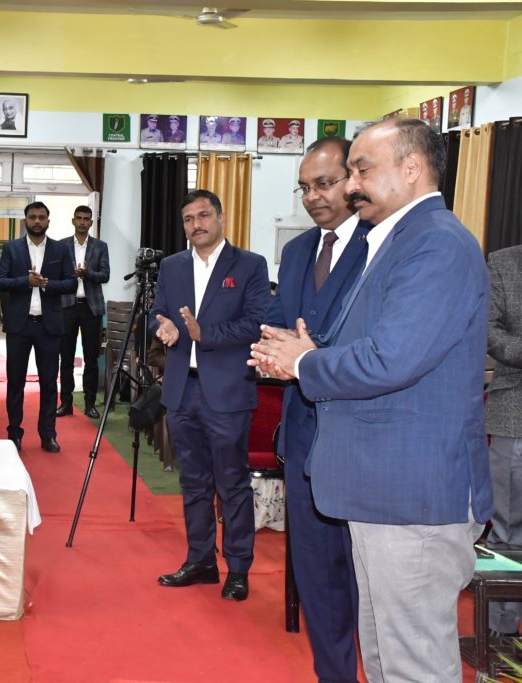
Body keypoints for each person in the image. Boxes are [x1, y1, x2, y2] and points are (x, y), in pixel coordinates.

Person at [250, 118, 492, 682]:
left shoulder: (436, 245)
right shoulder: (397, 240)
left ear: (412, 168)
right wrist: (306, 352)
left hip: (413, 495)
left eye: (361, 170)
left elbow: (391, 358)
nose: (352, 184)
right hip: (381, 491)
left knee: (415, 666)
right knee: (384, 660)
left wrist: (304, 363)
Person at [265, 137, 369, 683]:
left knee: (366, 579)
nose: (312, 197)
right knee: (316, 575)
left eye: (324, 183)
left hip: (362, 439)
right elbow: (287, 326)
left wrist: (309, 357)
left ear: (354, 180)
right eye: (304, 187)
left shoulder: (382, 243)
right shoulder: (298, 251)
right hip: (303, 437)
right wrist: (271, 352)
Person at [152, 189, 270, 602]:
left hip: (227, 392)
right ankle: (200, 560)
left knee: (232, 483)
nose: (196, 224)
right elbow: (157, 312)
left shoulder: (250, 265)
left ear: (221, 218)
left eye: (203, 215)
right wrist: (164, 326)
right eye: (188, 219)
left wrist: (206, 334)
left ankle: (238, 568)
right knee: (194, 483)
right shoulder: (172, 266)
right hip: (182, 389)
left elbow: (256, 322)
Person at [0, 201, 77, 453]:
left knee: (49, 383)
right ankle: (14, 434)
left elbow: (71, 283)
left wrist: (46, 284)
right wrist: (25, 281)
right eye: (33, 217)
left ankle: (48, 435)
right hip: (19, 327)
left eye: (42, 217)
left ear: (48, 221)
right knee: (15, 382)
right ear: (26, 220)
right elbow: (0, 282)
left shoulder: (60, 249)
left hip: (48, 326)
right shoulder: (13, 248)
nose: (37, 221)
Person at [485, 244, 522, 638]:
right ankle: (501, 632)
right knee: (508, 528)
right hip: (515, 411)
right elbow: (488, 330)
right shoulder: (503, 263)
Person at [56, 205, 109, 420]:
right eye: (79, 218)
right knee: (66, 358)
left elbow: (105, 275)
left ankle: (90, 404)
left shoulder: (100, 246)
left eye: (86, 219)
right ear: (73, 221)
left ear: (91, 222)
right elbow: (56, 275)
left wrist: (88, 273)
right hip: (67, 306)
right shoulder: (61, 246)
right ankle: (65, 403)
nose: (82, 222)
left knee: (91, 358)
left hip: (91, 307)